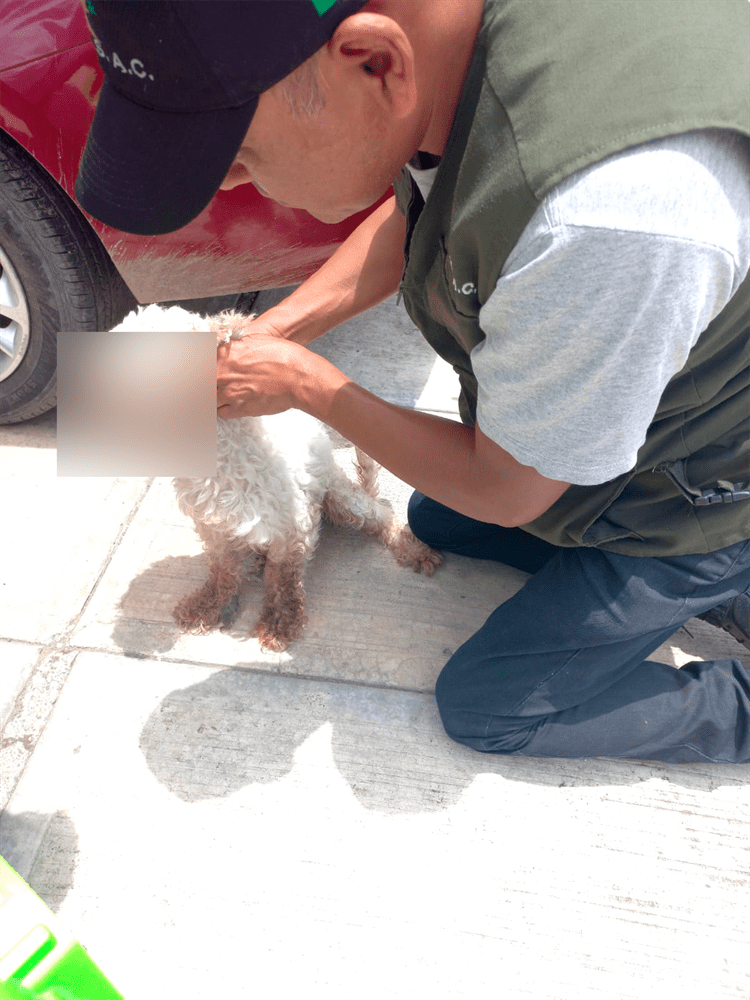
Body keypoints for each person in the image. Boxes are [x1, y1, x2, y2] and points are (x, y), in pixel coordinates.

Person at [76, 0, 750, 763]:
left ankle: (723, 598)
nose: (226, 183)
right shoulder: (443, 45)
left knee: (487, 707)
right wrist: (274, 333)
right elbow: (424, 210)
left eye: (238, 147)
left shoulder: (608, 217)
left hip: (690, 491)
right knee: (431, 515)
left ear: (375, 62)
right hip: (614, 423)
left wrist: (307, 384)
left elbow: (508, 489)